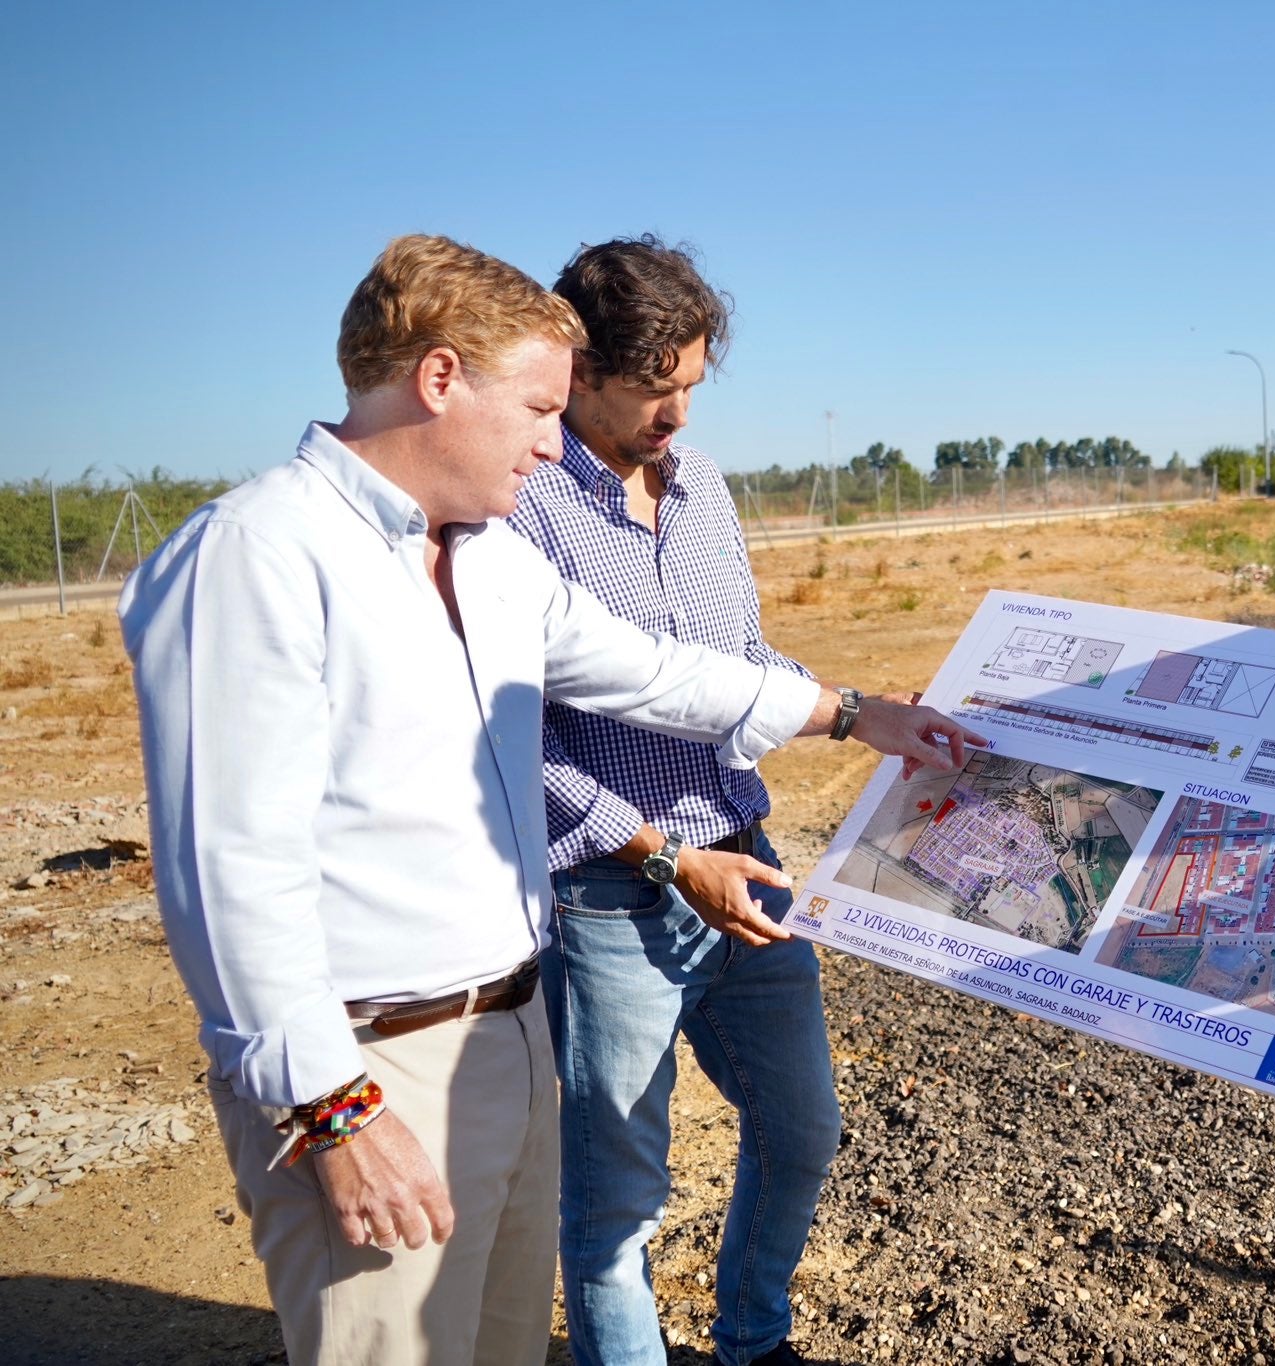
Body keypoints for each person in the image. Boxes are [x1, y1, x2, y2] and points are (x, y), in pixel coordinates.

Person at [120, 233, 979, 1366]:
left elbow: (662, 672)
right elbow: (230, 868)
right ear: (439, 379)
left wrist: (847, 709)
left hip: (509, 1030)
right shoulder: (258, 553)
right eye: (535, 406)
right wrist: (330, 1109)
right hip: (376, 1064)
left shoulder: (483, 559)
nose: (548, 439)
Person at [504, 233, 854, 1366]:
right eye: (656, 390)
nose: (678, 418)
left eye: (691, 388)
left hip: (746, 864)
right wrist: (659, 856)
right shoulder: (520, 507)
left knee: (802, 1128)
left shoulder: (703, 489)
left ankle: (753, 1343)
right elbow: (512, 740)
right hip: (612, 898)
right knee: (615, 1206)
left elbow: (740, 657)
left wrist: (860, 710)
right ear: (580, 369)